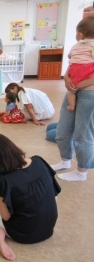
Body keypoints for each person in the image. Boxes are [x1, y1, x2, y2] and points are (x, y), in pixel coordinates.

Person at [51, 20, 94, 181]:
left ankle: (81, 171)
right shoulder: (78, 47)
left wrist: (79, 85)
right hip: (73, 89)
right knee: (62, 130)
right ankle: (65, 161)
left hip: (89, 92)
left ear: (81, 34)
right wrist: (67, 78)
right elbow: (72, 65)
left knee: (83, 134)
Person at [66, 17, 94, 110]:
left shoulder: (75, 46)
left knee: (71, 91)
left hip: (75, 72)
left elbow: (70, 56)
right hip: (88, 71)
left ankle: (71, 106)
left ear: (80, 34)